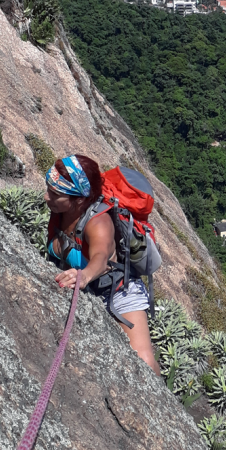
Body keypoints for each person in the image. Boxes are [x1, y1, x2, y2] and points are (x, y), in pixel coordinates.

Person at [45, 154, 159, 374]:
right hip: (88, 289)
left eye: (54, 193)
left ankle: (166, 403)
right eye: (48, 188)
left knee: (144, 361)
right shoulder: (60, 211)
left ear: (79, 199)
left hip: (119, 291)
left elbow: (100, 257)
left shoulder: (98, 222)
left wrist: (85, 275)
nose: (46, 197)